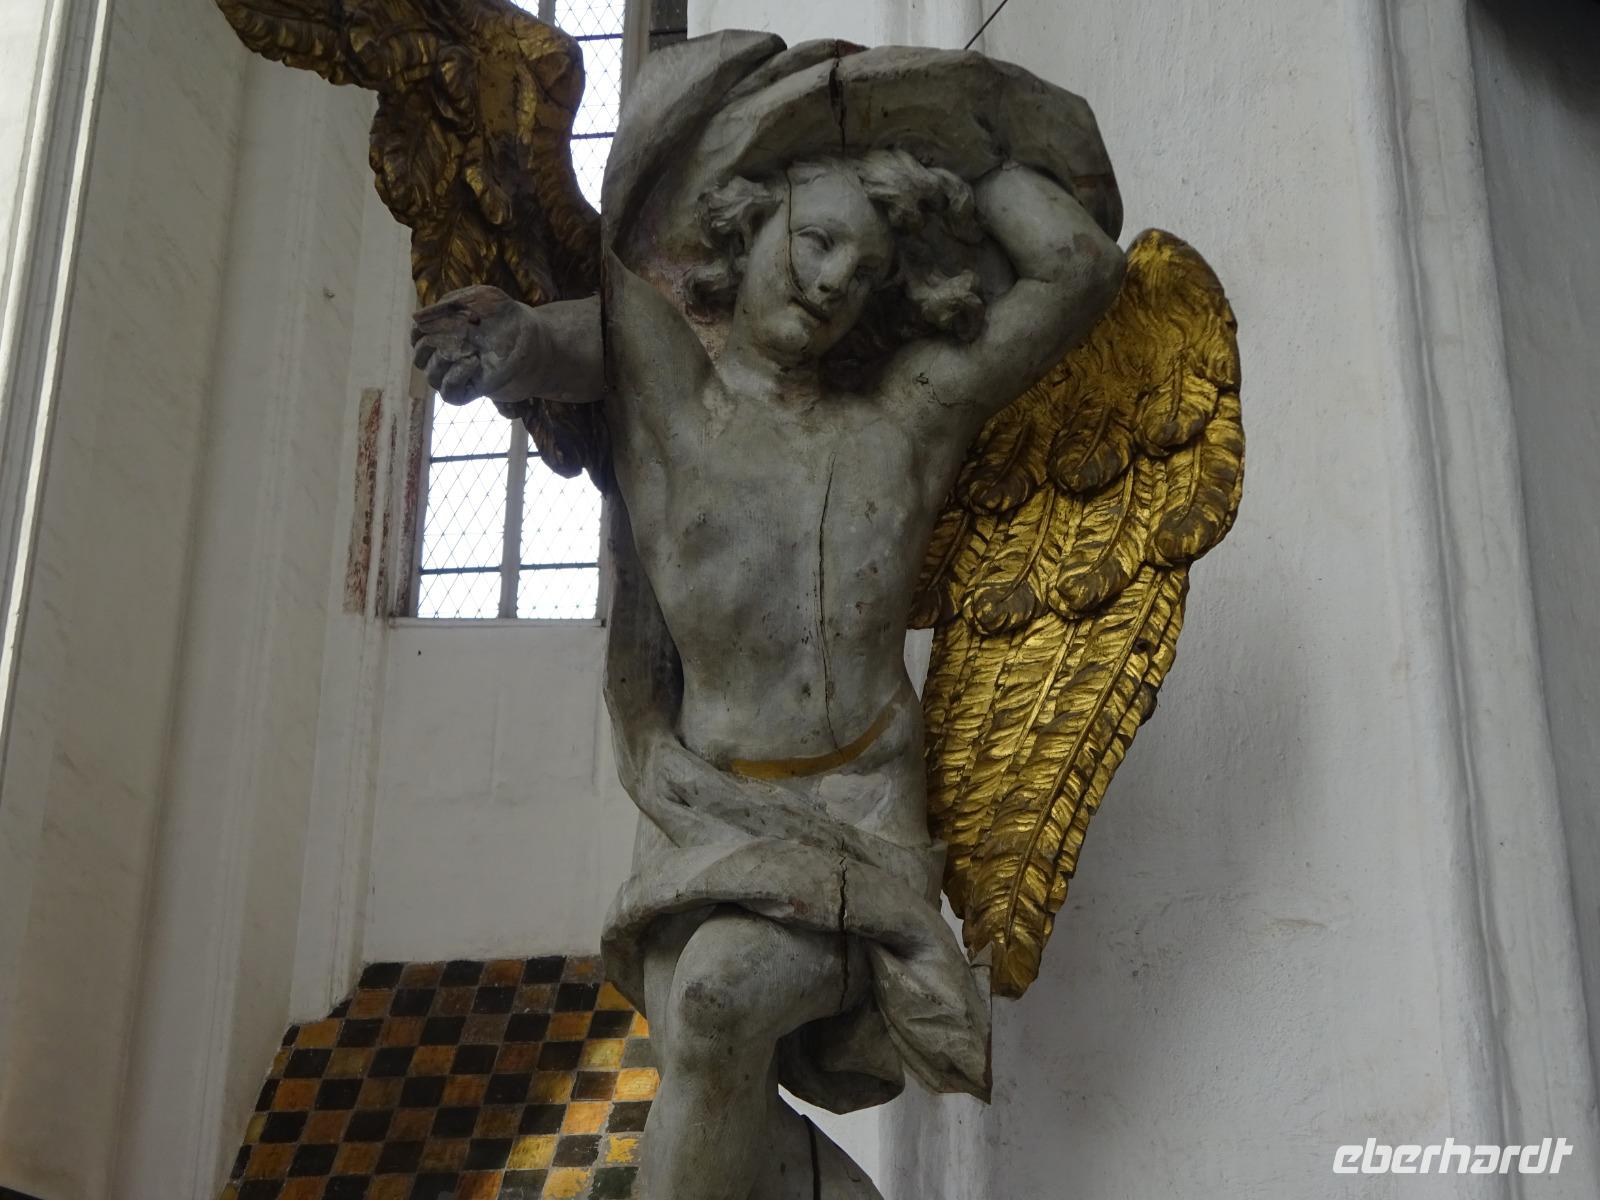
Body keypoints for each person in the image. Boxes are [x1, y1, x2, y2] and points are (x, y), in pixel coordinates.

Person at [412, 88, 1123, 1200]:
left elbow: (1080, 270)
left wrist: (971, 150)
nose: (836, 279)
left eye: (865, 269)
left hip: (854, 818)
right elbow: (568, 342)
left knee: (714, 1008)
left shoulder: (907, 415)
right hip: (694, 810)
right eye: (817, 241)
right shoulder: (670, 396)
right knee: (726, 1100)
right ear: (745, 233)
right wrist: (509, 342)